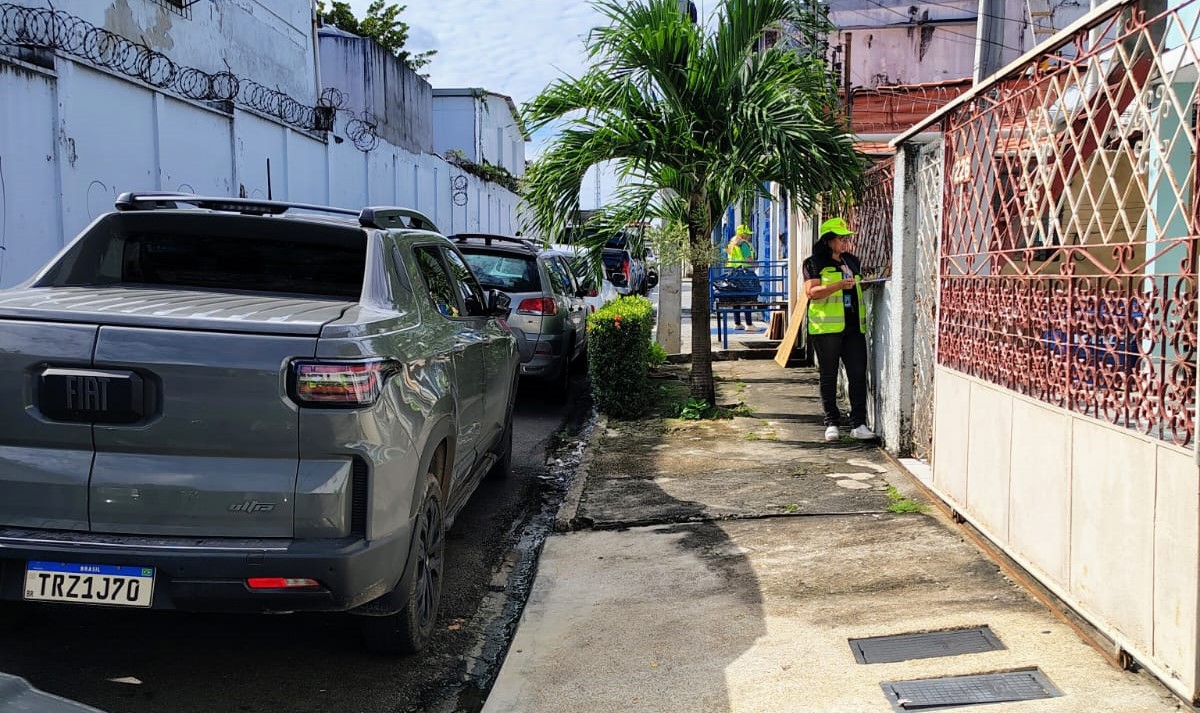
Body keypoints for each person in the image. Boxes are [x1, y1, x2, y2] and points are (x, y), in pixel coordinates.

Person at [803, 217, 875, 442]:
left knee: (857, 373)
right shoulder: (814, 263)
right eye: (841, 239)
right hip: (826, 329)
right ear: (828, 241)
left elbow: (858, 286)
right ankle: (831, 422)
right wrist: (838, 285)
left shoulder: (851, 261)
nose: (845, 243)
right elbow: (812, 292)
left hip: (854, 326)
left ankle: (859, 424)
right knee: (828, 375)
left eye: (846, 239)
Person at [725, 224, 757, 330]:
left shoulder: (732, 244)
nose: (749, 236)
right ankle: (749, 324)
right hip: (744, 273)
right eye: (747, 234)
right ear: (743, 234)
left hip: (733, 274)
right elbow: (748, 259)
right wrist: (756, 264)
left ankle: (737, 323)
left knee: (737, 298)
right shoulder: (743, 244)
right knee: (748, 297)